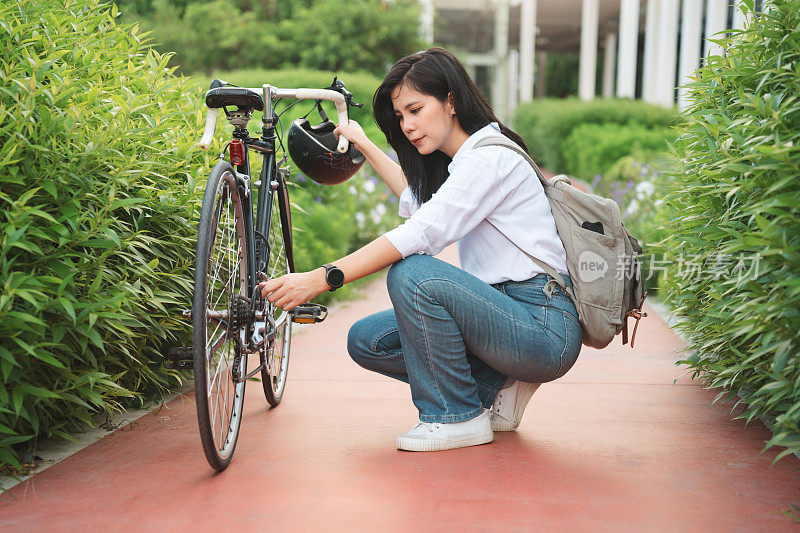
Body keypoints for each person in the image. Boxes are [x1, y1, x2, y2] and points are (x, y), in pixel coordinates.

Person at [259, 47, 582, 452]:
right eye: (400, 117)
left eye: (415, 109)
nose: (408, 126)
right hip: (504, 313)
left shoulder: (488, 161)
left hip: (542, 324)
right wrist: (365, 143)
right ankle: (495, 387)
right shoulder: (468, 159)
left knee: (413, 274)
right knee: (368, 340)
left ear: (450, 101)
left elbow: (419, 232)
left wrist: (323, 277)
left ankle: (456, 415)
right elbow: (423, 207)